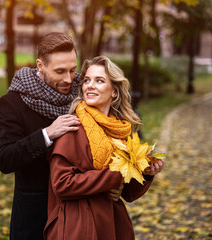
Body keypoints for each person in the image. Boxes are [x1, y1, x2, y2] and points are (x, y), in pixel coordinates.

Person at [44, 56, 164, 240]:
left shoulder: (121, 131)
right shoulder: (72, 128)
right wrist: (116, 173)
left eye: (99, 81)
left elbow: (128, 193)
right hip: (78, 226)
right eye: (87, 80)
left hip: (111, 223)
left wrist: (147, 173)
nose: (90, 86)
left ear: (114, 92)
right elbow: (62, 184)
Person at [0, 32, 81, 240]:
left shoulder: (83, 94)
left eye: (72, 69)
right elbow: (5, 159)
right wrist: (47, 134)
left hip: (79, 210)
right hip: (35, 217)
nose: (68, 79)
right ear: (40, 66)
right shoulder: (13, 102)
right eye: (60, 71)